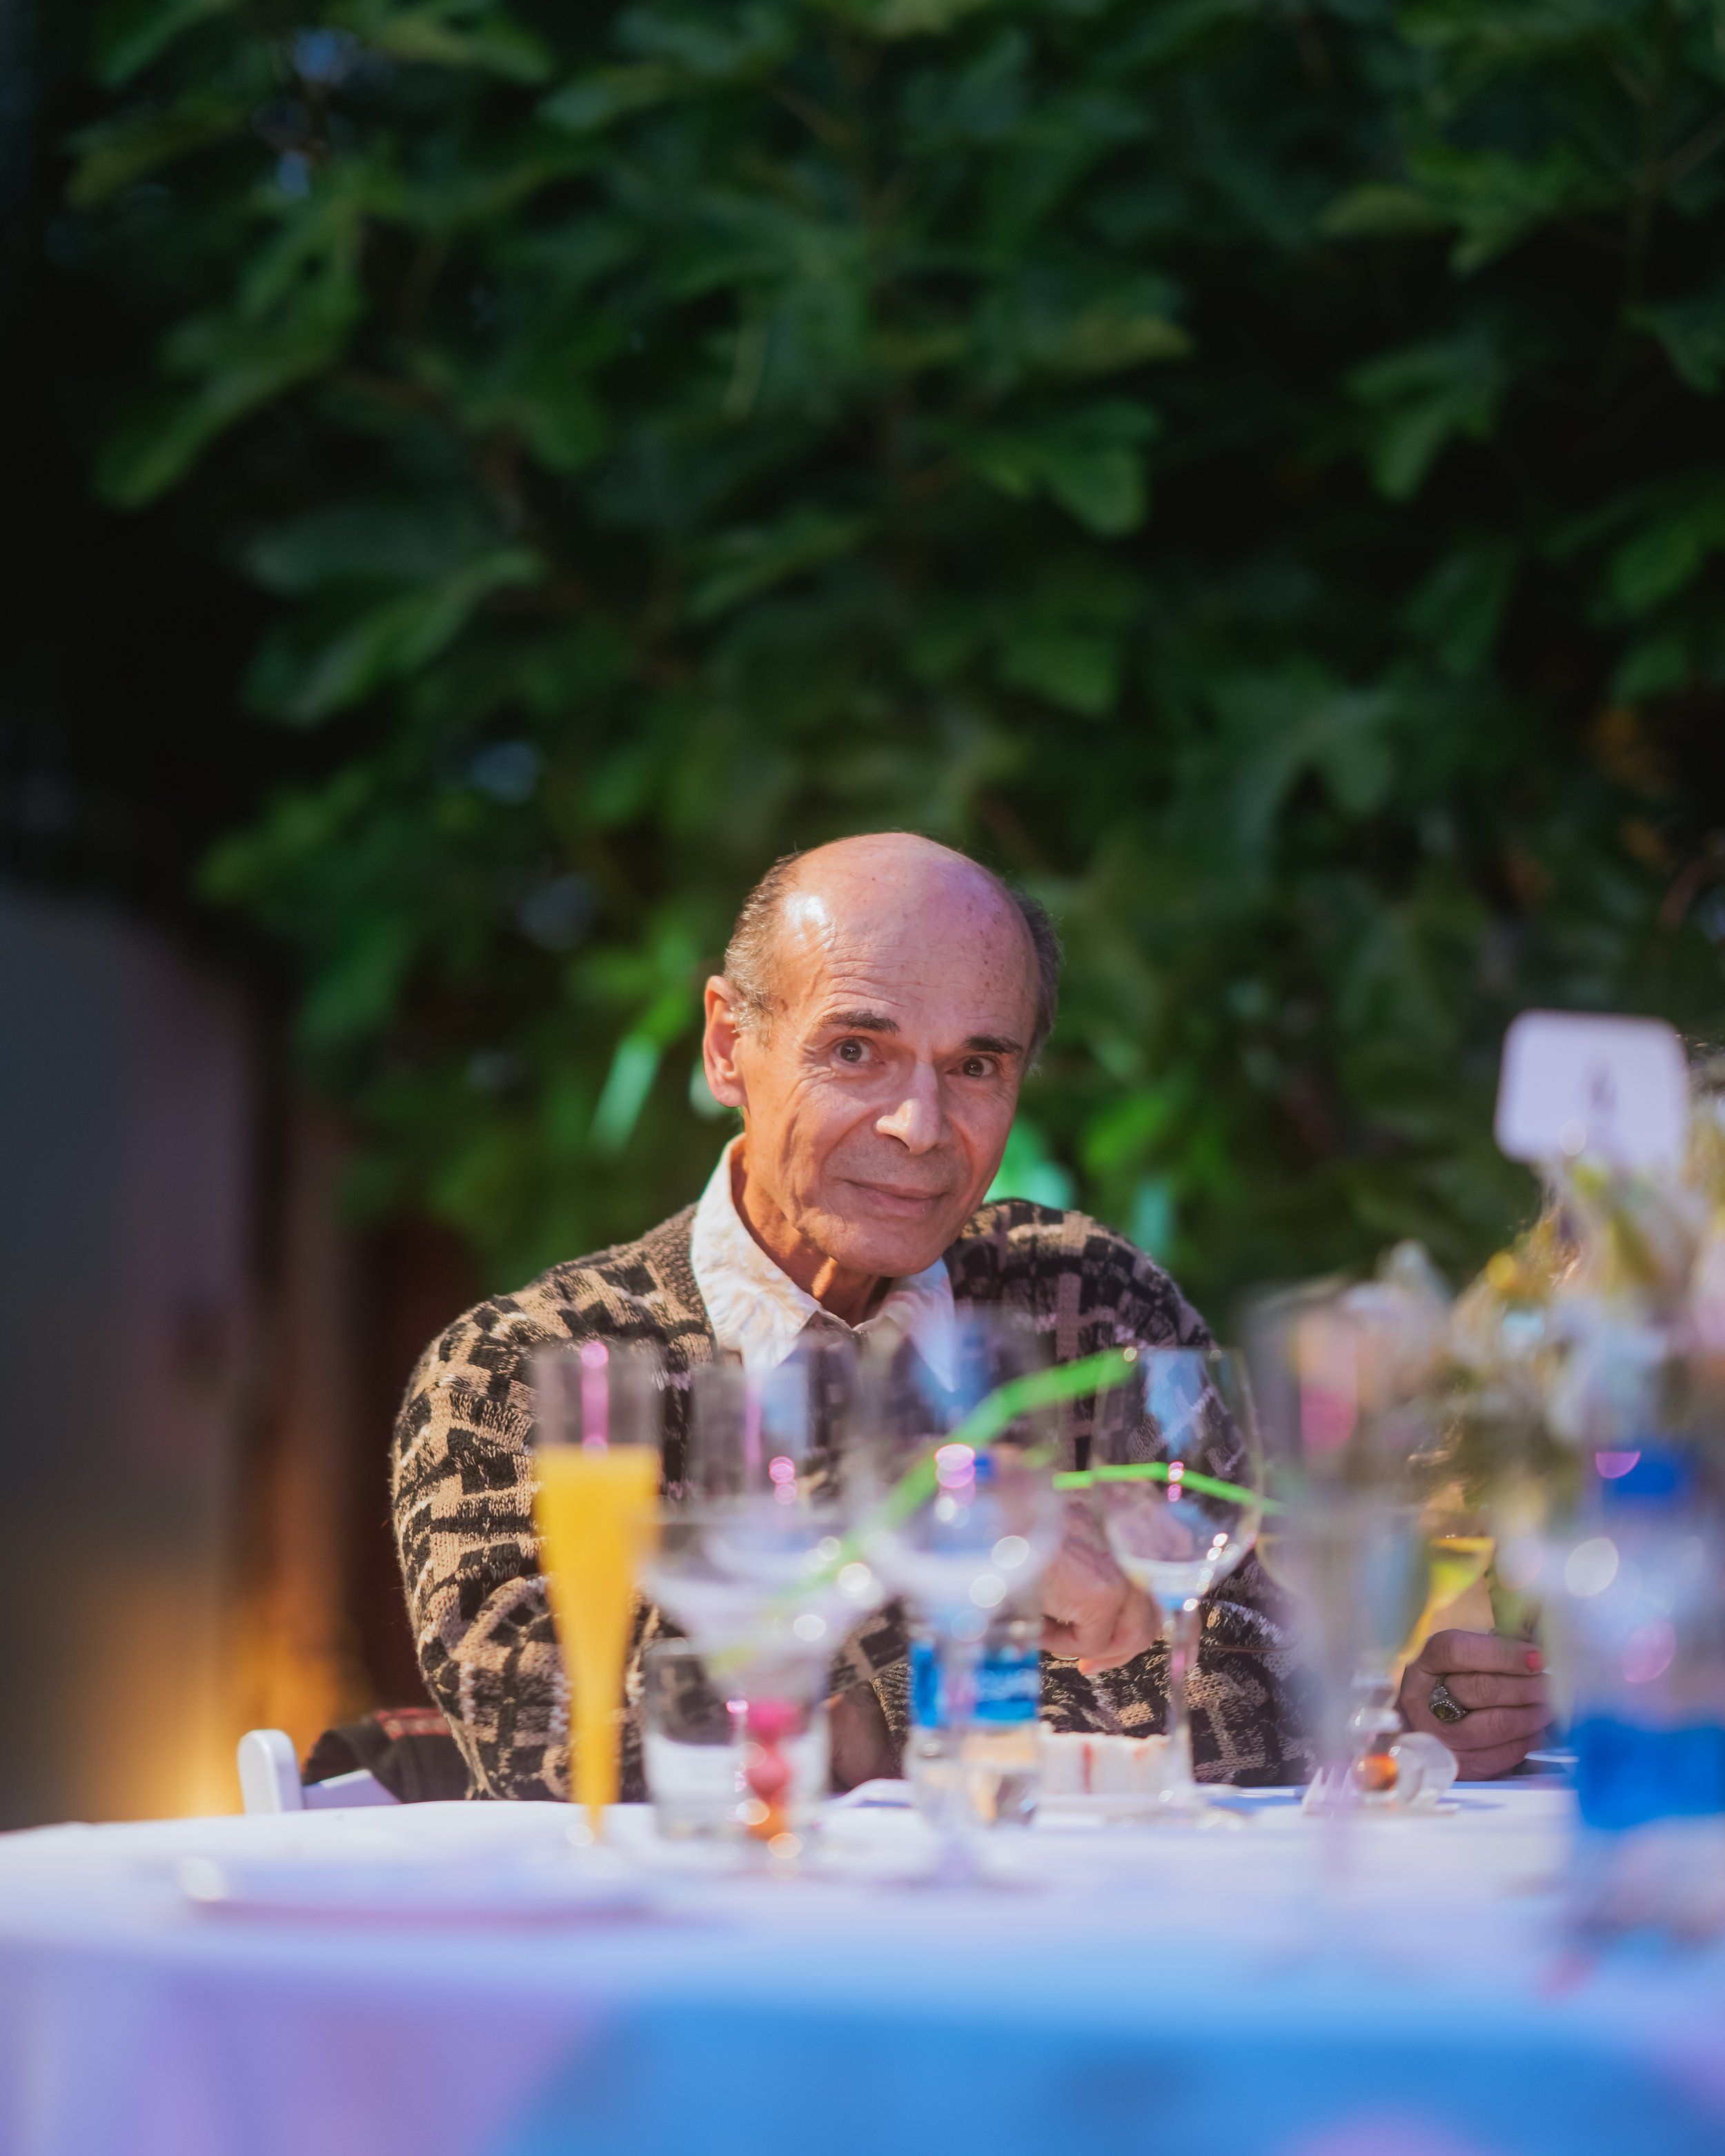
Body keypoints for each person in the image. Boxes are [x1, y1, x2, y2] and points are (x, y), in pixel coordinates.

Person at [392, 832, 1544, 1799]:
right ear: (728, 1043)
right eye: (858, 1050)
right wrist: (994, 1590)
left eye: (977, 1065)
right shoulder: (533, 1367)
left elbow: (1266, 1688)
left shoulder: (1088, 1302)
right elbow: (560, 1732)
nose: (920, 1124)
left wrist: (828, 1709)